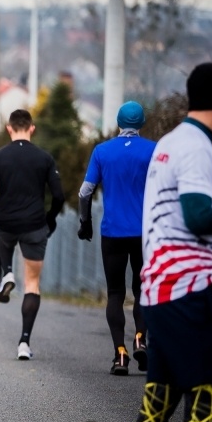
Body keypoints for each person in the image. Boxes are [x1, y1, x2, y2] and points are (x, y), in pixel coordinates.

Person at [131, 63, 212, 422]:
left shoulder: (171, 143)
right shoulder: (196, 148)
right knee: (205, 402)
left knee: (161, 396)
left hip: (161, 291)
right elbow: (196, 216)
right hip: (188, 290)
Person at [0, 109, 64, 360]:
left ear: (9, 128)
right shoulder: (44, 158)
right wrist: (50, 218)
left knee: (3, 232)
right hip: (35, 224)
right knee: (33, 284)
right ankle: (24, 342)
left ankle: (6, 273)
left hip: (5, 221)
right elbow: (58, 196)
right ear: (32, 128)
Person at [78, 101, 155, 375]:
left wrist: (85, 222)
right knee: (143, 288)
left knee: (115, 293)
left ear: (118, 123)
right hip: (145, 233)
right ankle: (140, 339)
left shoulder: (102, 151)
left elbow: (85, 192)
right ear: (142, 122)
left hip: (113, 232)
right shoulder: (153, 150)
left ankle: (119, 355)